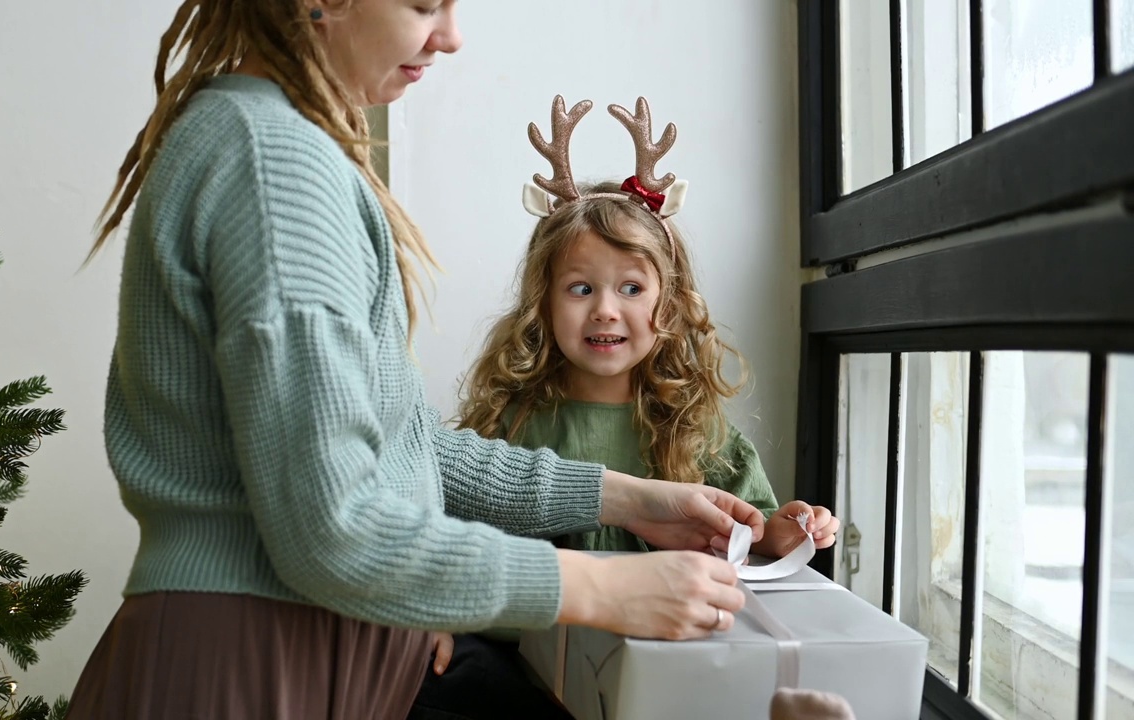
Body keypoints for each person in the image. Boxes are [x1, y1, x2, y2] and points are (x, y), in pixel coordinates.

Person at [66, 3, 767, 719]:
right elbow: (332, 527)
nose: (450, 36)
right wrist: (601, 587)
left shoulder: (267, 142)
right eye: (424, 4)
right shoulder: (274, 165)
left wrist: (627, 500)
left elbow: (407, 448)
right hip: (249, 669)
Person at [410, 96, 841, 720]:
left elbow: (754, 533)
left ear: (668, 304)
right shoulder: (514, 422)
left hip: (662, 656)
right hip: (528, 662)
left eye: (632, 288)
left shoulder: (692, 429)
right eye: (581, 288)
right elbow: (452, 533)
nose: (606, 310)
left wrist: (783, 530)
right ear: (544, 302)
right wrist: (433, 616)